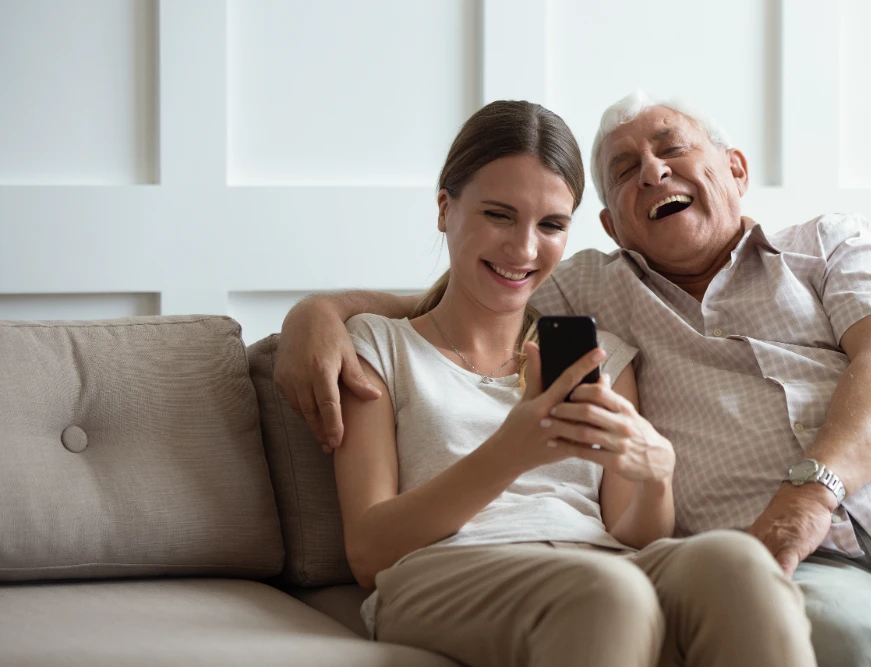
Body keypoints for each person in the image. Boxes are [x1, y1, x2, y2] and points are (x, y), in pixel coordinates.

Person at [276, 91, 871, 667]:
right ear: (615, 227)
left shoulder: (820, 249)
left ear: (737, 169)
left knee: (730, 565)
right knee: (666, 593)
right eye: (625, 170)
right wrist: (320, 312)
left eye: (673, 148)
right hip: (506, 570)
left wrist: (663, 471)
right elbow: (470, 295)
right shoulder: (411, 339)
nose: (652, 171)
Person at [329, 99, 815, 667]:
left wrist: (657, 477)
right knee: (609, 592)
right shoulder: (377, 346)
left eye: (552, 224)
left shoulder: (602, 356)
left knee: (739, 564)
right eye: (499, 215)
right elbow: (368, 551)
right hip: (450, 570)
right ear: (445, 209)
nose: (525, 249)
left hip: (603, 561)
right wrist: (512, 451)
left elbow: (632, 534)